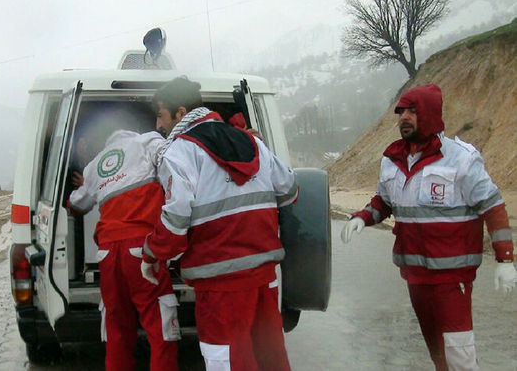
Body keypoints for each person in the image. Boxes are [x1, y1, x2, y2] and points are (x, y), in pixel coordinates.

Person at [340, 84, 516, 371]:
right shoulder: (392, 159)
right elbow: (384, 201)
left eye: (412, 110)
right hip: (416, 276)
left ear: (431, 114)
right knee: (437, 350)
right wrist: (363, 217)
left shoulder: (461, 158)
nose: (404, 117)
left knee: (459, 355)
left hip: (451, 277)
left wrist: (505, 259)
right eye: (401, 111)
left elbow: (493, 207)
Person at [140, 77, 298, 371]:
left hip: (219, 284)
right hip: (264, 277)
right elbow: (289, 190)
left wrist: (151, 254)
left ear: (180, 112)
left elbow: (175, 222)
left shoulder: (179, 151)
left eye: (161, 115)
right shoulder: (252, 141)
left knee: (226, 360)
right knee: (270, 358)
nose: (158, 125)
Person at [68, 129, 180, 371]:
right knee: (160, 331)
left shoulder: (95, 165)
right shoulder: (148, 141)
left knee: (117, 330)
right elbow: (178, 163)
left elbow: (76, 204)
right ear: (132, 133)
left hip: (107, 254)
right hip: (143, 251)